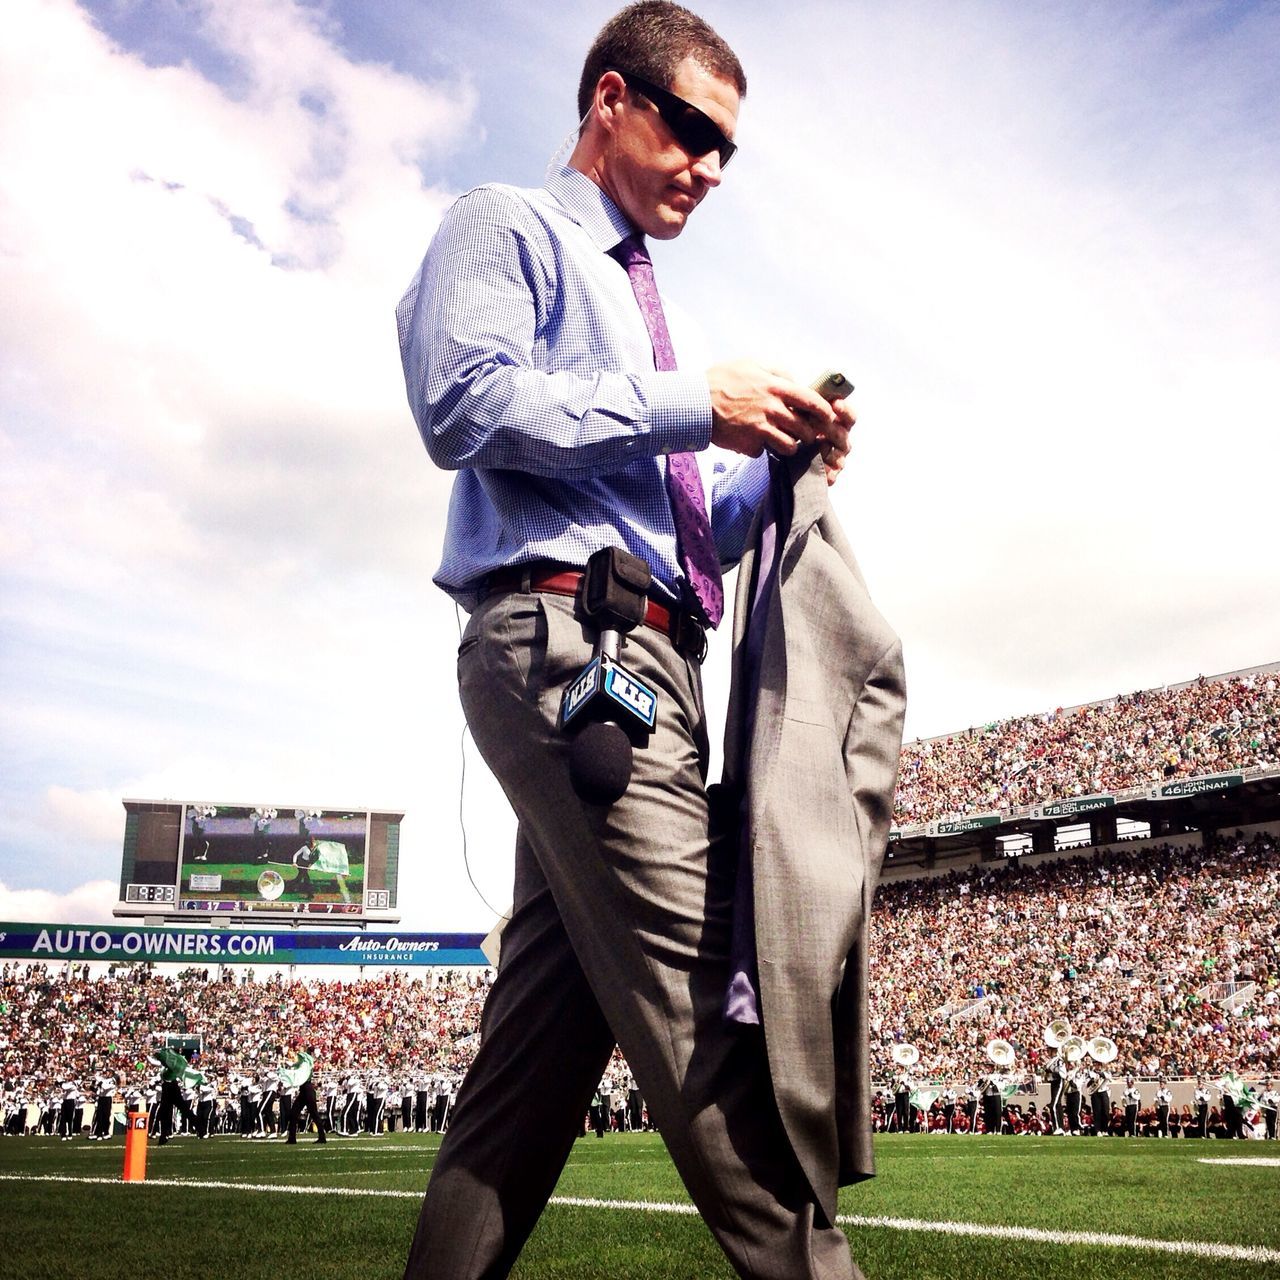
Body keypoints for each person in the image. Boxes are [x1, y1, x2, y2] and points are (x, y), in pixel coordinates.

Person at [394, 5, 892, 1279]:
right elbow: (461, 402)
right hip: (571, 650)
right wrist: (694, 403)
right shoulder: (505, 225)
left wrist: (770, 472)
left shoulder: (638, 295)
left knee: (529, 1077)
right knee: (705, 1019)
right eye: (693, 132)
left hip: (635, 648)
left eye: (727, 152)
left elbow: (676, 541)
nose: (710, 171)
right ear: (610, 99)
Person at [282, 1045, 327, 1144]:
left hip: (307, 1090)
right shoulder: (304, 1064)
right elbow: (296, 1065)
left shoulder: (306, 1064)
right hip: (304, 1091)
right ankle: (292, 1138)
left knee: (314, 1114)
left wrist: (290, 1064)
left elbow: (297, 1064)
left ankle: (322, 1137)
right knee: (294, 1114)